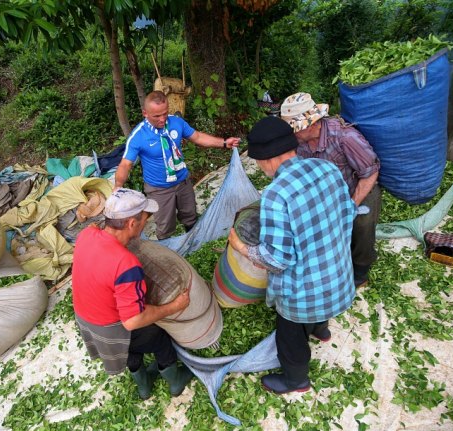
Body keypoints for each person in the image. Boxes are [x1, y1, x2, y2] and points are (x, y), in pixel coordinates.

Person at [228, 116, 356, 394]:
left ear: (265, 160)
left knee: (289, 335)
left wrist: (240, 247)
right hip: (340, 278)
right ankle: (321, 330)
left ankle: (296, 380)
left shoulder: (276, 194)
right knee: (318, 298)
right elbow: (348, 215)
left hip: (305, 295)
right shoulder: (327, 169)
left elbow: (277, 260)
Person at [72, 188, 194, 400]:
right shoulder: (126, 265)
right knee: (158, 337)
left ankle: (144, 386)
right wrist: (174, 306)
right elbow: (132, 321)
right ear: (131, 224)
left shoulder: (86, 235)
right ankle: (175, 382)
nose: (147, 222)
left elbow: (94, 229)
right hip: (113, 328)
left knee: (130, 348)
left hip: (86, 321)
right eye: (145, 218)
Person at [280, 92, 381, 288]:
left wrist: (351, 205)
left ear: (312, 124)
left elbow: (369, 173)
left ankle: (361, 270)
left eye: (296, 129)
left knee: (362, 222)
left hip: (356, 189)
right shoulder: (299, 142)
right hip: (324, 191)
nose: (293, 134)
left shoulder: (345, 137)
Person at [113, 90, 241, 239]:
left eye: (165, 113)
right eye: (157, 116)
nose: (162, 119)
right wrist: (118, 186)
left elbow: (198, 137)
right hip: (159, 189)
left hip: (182, 182)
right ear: (145, 113)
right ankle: (169, 254)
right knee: (165, 226)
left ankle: (194, 244)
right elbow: (125, 165)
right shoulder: (138, 136)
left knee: (191, 216)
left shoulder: (176, 122)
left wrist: (224, 143)